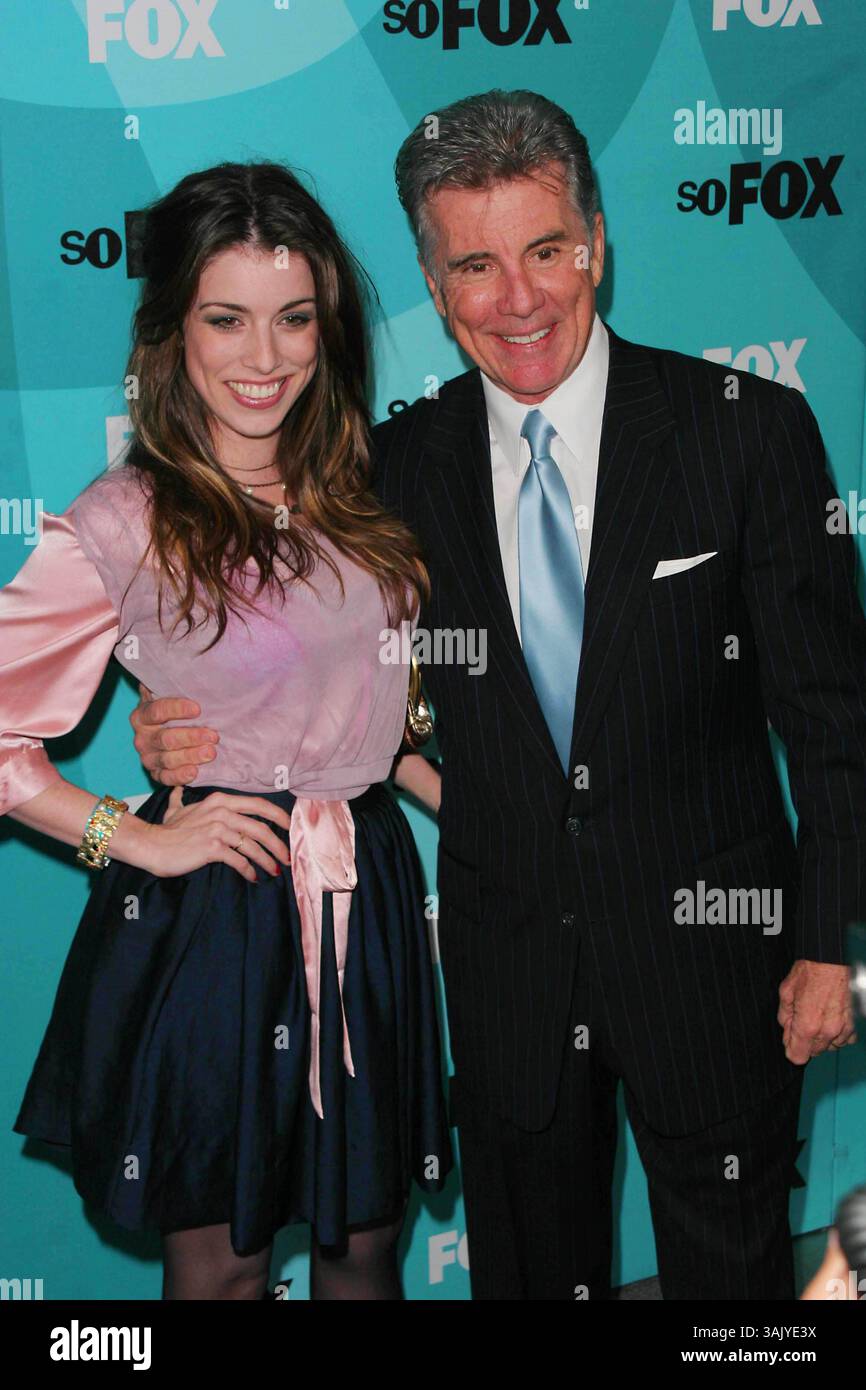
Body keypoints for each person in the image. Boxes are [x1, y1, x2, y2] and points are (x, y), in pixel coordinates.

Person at [129, 91, 866, 1301]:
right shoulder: (382, 474)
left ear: (595, 244)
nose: (517, 299)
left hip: (716, 965)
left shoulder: (744, 435)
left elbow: (833, 721)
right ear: (430, 276)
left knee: (733, 1297)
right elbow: (294, 648)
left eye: (544, 250)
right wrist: (186, 719)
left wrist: (825, 946)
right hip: (507, 973)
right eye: (473, 264)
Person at [1, 160, 452, 1300]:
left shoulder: (362, 485)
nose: (265, 358)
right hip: (215, 914)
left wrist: (468, 797)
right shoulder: (124, 518)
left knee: (367, 1252)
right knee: (222, 1268)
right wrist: (135, 835)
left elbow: (383, 709)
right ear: (170, 334)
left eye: (294, 318)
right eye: (226, 319)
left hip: (370, 894)